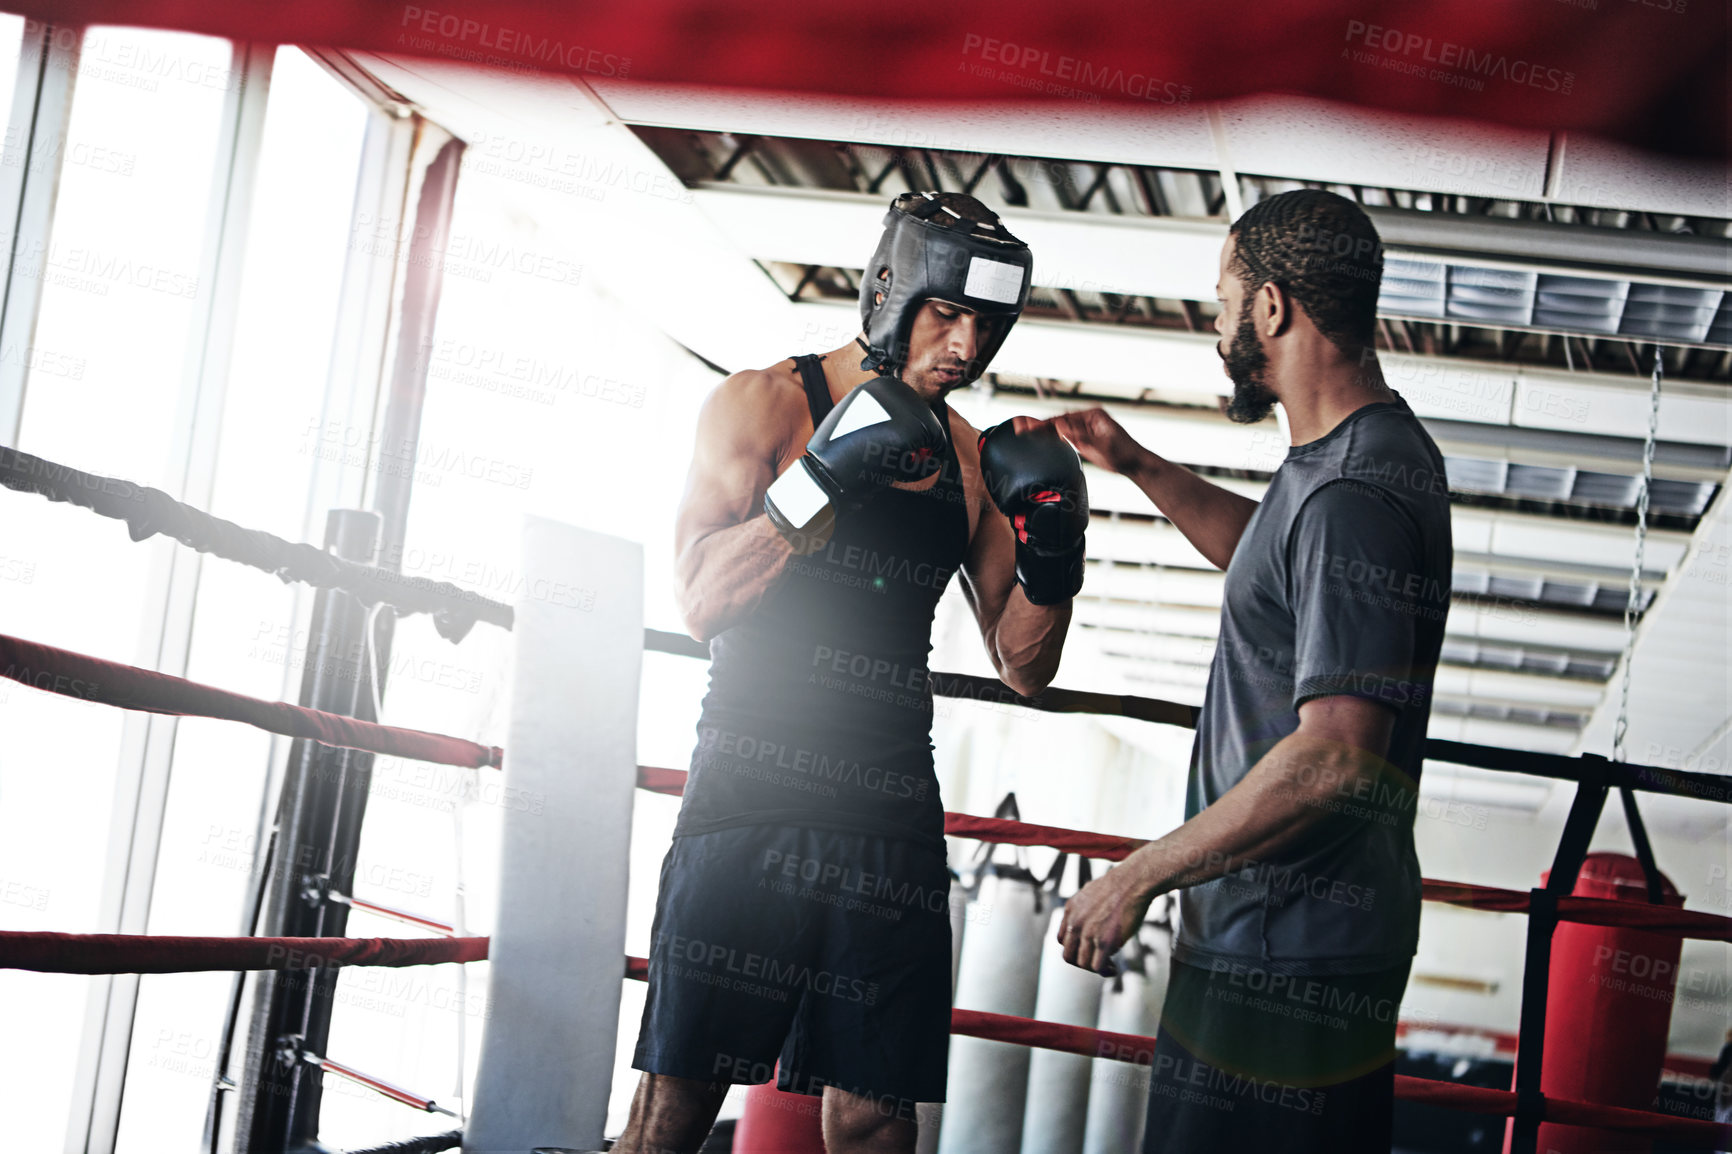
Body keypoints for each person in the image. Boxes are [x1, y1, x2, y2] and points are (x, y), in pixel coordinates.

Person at [615, 191, 1088, 1154]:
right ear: (888, 290)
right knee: (676, 1104)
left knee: (877, 1111)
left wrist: (1055, 556)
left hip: (886, 805)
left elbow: (1024, 666)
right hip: (749, 783)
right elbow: (699, 601)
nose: (965, 344)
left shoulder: (970, 462)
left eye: (987, 324)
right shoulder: (765, 402)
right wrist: (819, 477)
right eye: (945, 312)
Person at [1049, 188, 1453, 1153]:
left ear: (1271, 306)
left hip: (1284, 956)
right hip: (1291, 944)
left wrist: (1138, 876)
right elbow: (1268, 561)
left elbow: (1337, 755)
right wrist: (1138, 464)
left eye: (1225, 296)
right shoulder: (1344, 460)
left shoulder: (1350, 491)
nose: (1217, 320)